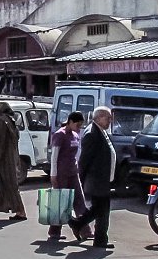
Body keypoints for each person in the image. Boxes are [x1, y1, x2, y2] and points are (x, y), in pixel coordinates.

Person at [68, 106, 116, 249]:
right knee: (100, 209)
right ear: (99, 117)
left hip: (103, 179)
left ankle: (99, 239)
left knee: (102, 210)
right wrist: (81, 180)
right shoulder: (91, 133)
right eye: (108, 117)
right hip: (96, 180)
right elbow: (84, 160)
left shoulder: (101, 131)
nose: (110, 120)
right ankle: (79, 224)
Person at [47, 111, 89, 241]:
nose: (79, 127)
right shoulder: (59, 135)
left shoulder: (76, 135)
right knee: (60, 201)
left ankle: (84, 229)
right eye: (77, 124)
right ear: (70, 121)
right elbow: (54, 156)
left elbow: (78, 153)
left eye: (81, 125)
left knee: (79, 199)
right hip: (61, 173)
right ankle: (54, 231)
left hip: (73, 171)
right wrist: (53, 174)